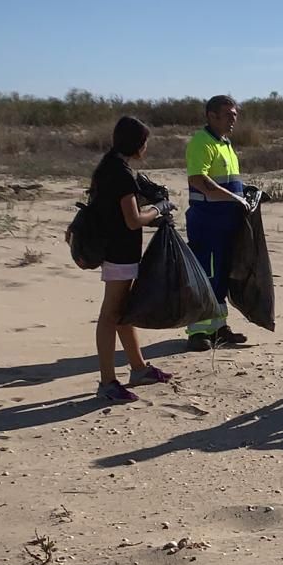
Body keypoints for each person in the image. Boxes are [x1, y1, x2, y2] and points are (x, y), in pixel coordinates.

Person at [68, 116, 177, 403]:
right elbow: (132, 220)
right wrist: (158, 208)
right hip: (119, 253)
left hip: (117, 250)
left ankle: (139, 368)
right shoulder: (121, 173)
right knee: (111, 315)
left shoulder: (108, 167)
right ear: (137, 144)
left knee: (122, 312)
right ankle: (107, 382)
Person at [184, 95, 253, 351]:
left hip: (227, 223)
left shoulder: (226, 144)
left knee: (222, 275)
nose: (232, 119)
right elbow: (199, 180)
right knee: (206, 274)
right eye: (227, 115)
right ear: (211, 116)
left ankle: (219, 327)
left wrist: (245, 192)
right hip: (207, 222)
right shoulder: (202, 143)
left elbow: (229, 180)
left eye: (234, 115)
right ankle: (198, 330)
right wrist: (234, 197)